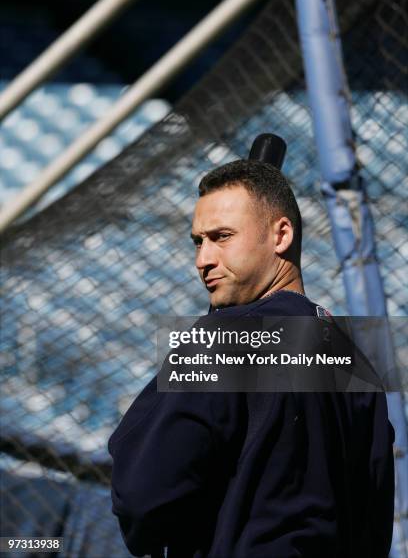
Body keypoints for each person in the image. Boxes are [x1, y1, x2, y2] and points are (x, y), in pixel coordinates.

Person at [108, 160, 395, 557]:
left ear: (281, 235)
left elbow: (143, 496)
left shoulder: (221, 340)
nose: (202, 259)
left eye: (221, 236)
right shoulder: (357, 365)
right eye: (198, 241)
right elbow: (374, 528)